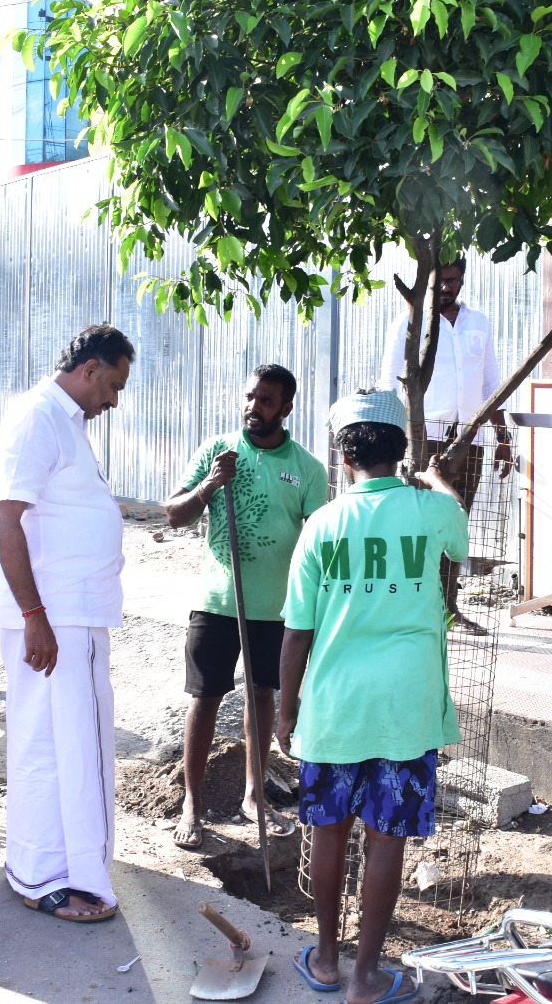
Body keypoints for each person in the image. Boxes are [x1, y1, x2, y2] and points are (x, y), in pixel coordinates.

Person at [278, 388, 469, 1004]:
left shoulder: (320, 525)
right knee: (387, 837)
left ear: (342, 455)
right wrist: (436, 481)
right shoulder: (429, 511)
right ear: (400, 449)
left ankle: (327, 961)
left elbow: (297, 629)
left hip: (334, 706)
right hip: (405, 709)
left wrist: (287, 708)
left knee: (329, 829)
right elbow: (457, 529)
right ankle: (366, 977)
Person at [0, 323, 135, 923]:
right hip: (57, 616)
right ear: (91, 368)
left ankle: (43, 868)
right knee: (74, 745)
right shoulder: (39, 417)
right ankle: (68, 876)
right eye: (114, 384)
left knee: (53, 744)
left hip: (64, 614)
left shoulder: (61, 420)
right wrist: (35, 617)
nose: (115, 400)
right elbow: (4, 522)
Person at [163, 364, 327, 850]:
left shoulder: (308, 469)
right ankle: (192, 802)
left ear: (287, 408)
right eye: (250, 398)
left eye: (266, 401)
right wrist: (211, 484)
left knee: (261, 697)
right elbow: (173, 514)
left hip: (275, 608)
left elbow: (319, 540)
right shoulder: (218, 451)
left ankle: (254, 796)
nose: (254, 408)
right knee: (205, 696)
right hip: (217, 602)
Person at [376, 256, 511, 629]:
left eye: (453, 280)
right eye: (440, 283)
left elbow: (490, 385)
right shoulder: (409, 323)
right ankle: (415, 608)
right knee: (419, 526)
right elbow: (390, 381)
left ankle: (449, 607)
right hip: (424, 440)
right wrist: (392, 435)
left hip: (469, 439)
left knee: (457, 522)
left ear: (462, 279)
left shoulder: (478, 323)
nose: (447, 288)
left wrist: (502, 436)